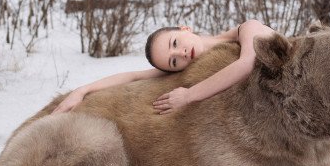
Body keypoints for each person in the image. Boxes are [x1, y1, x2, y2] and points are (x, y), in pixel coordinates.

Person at [52, 20, 274, 115]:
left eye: (175, 43)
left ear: (185, 28)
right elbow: (133, 77)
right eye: (173, 62)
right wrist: (81, 91)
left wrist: (189, 95)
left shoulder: (248, 27)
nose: (181, 53)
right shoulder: (196, 65)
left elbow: (247, 63)